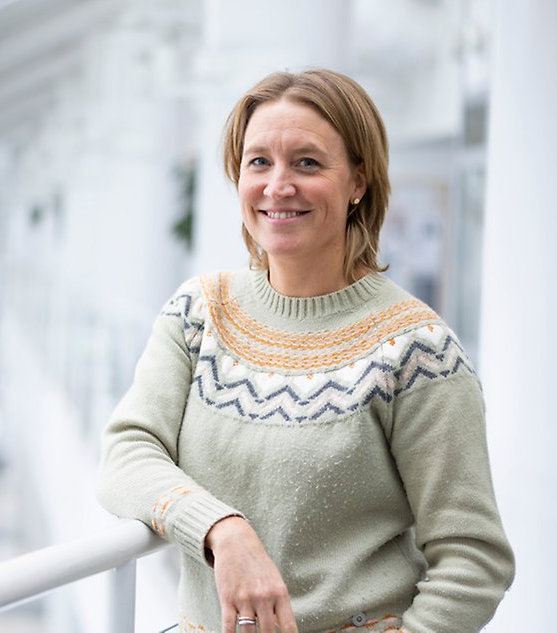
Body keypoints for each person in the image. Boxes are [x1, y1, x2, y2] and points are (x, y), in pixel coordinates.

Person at [96, 69, 514, 633]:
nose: (277, 185)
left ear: (358, 182)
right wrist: (224, 529)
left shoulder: (416, 349)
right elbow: (126, 453)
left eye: (308, 163)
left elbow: (474, 558)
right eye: (259, 161)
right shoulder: (200, 312)